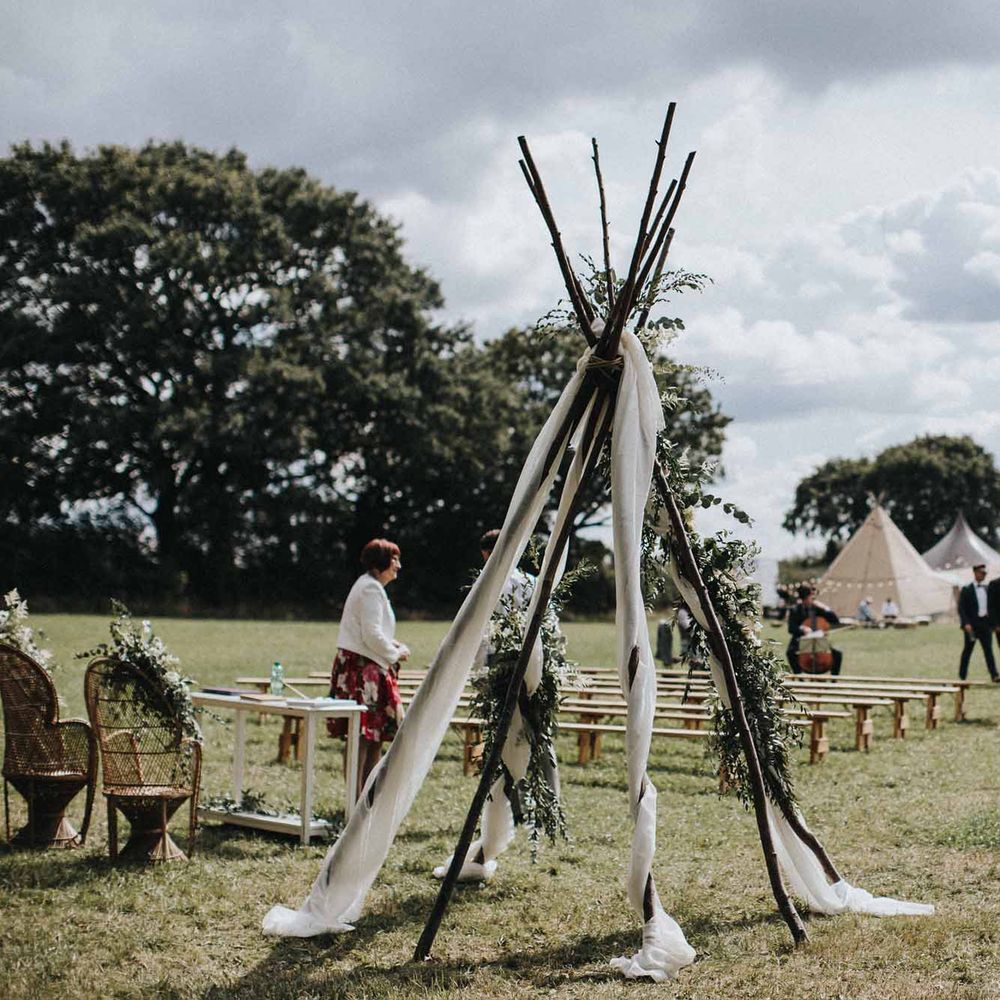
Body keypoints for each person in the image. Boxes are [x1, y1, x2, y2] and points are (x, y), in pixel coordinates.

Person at [327, 538, 410, 800]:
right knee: (362, 736)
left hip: (370, 668)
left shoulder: (371, 587)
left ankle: (367, 798)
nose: (398, 565)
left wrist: (392, 643)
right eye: (394, 559)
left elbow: (373, 631)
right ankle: (355, 802)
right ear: (382, 562)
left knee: (374, 736)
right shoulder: (370, 589)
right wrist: (395, 653)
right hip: (362, 672)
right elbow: (371, 634)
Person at [786, 584, 843, 674]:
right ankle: (799, 678)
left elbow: (835, 620)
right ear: (805, 597)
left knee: (838, 653)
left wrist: (825, 607)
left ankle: (834, 681)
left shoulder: (817, 608)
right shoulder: (795, 610)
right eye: (811, 596)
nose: (813, 599)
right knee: (790, 652)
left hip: (819, 639)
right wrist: (802, 629)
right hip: (800, 640)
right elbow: (791, 628)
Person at [958, 562, 999, 682]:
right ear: (975, 573)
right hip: (972, 625)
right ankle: (962, 675)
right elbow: (962, 608)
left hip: (985, 624)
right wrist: (966, 623)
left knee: (988, 650)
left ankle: (994, 675)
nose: (984, 575)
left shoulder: (988, 588)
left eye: (985, 573)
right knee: (968, 650)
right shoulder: (967, 589)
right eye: (982, 573)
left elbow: (992, 606)